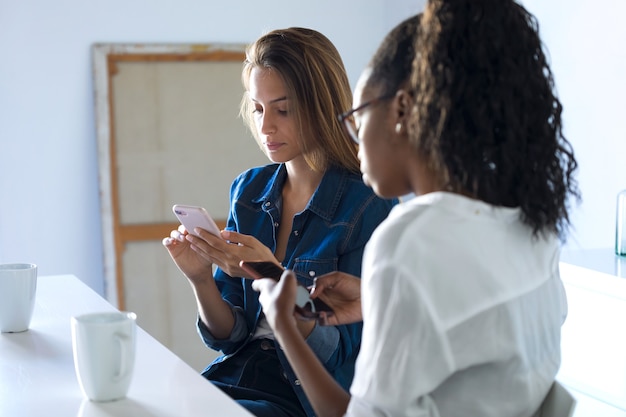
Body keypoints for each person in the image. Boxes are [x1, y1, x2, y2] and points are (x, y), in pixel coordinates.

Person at [252, 1, 581, 416]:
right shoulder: (530, 221)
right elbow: (483, 331)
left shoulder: (411, 240)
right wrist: (379, 302)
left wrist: (287, 331)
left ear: (402, 111)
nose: (354, 137)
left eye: (357, 115)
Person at [162, 27, 397, 417]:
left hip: (299, 399)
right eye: (258, 108)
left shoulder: (367, 204)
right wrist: (200, 279)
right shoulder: (248, 189)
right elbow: (230, 336)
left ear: (320, 105)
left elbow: (339, 352)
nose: (266, 126)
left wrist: (269, 274)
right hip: (233, 378)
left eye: (283, 109)